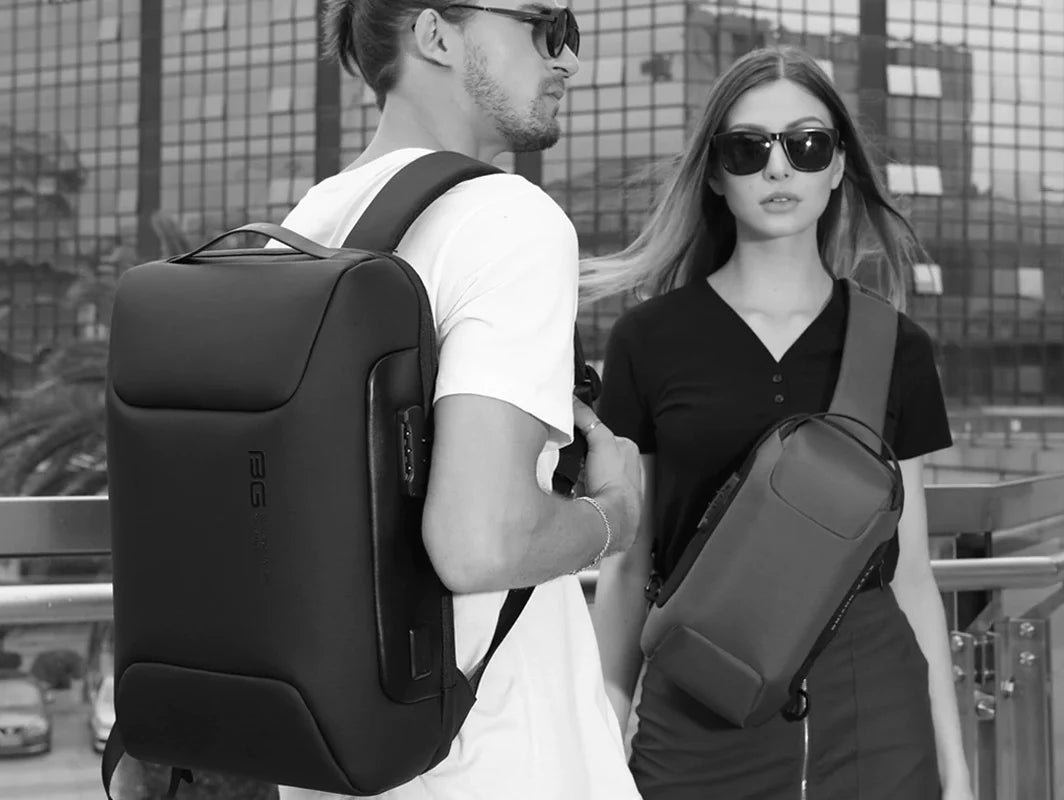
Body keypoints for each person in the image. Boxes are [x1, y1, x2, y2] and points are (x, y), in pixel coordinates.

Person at [275, 2, 644, 799]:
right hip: (493, 755)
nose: (568, 59)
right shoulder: (509, 219)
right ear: (436, 35)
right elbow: (480, 543)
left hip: (340, 752)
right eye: (546, 26)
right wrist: (616, 511)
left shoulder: (303, 227)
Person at [586, 46, 974, 800]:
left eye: (807, 145)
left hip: (874, 702)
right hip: (699, 699)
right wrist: (606, 721)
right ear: (715, 173)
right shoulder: (649, 340)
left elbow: (913, 573)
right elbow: (629, 567)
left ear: (837, 167)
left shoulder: (895, 345)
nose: (777, 168)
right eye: (747, 148)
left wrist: (954, 768)